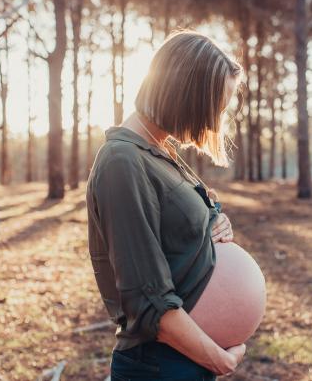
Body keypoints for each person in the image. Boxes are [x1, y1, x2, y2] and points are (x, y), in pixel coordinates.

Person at [86, 30, 247, 380]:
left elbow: (177, 236)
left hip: (181, 362)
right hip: (160, 365)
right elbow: (147, 302)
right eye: (213, 109)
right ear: (185, 94)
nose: (212, 122)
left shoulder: (159, 152)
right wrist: (218, 360)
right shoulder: (122, 160)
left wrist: (215, 224)